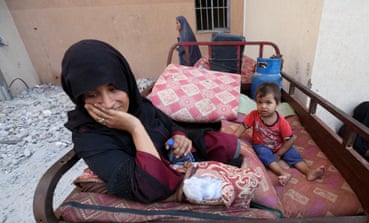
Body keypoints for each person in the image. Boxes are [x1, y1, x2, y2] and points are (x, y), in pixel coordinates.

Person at [61, 39, 241, 204]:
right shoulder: (89, 137)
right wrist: (134, 126)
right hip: (162, 176)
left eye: (113, 89)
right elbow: (150, 186)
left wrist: (179, 136)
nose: (108, 104)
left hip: (176, 155)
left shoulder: (139, 105)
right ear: (78, 97)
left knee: (228, 145)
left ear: (126, 84)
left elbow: (168, 122)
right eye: (92, 95)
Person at [234, 82, 324, 185]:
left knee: (293, 154)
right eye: (259, 102)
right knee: (263, 154)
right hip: (261, 145)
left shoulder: (282, 122)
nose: (263, 106)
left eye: (268, 102)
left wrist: (279, 153)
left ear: (277, 104)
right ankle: (282, 173)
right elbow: (243, 126)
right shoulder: (253, 115)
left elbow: (290, 140)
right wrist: (233, 137)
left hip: (280, 146)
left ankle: (309, 172)